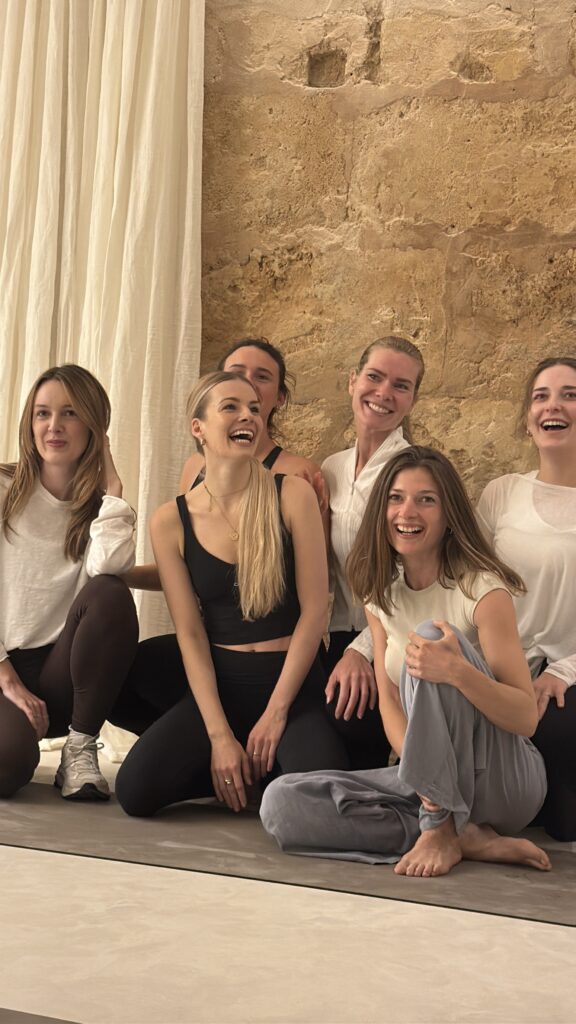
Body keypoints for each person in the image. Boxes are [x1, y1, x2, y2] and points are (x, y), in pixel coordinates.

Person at [261, 446, 550, 877]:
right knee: (281, 802)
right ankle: (462, 833)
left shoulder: (482, 591)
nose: (407, 512)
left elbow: (525, 718)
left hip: (502, 780)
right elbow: (391, 704)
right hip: (432, 777)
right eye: (396, 498)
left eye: (426, 499)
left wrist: (458, 672)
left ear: (449, 515)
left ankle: (441, 826)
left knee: (430, 640)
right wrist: (426, 783)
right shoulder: (380, 594)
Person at [115, 371, 348, 817]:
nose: (249, 416)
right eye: (231, 407)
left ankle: (269, 769)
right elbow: (190, 633)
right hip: (223, 685)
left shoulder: (291, 494)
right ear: (198, 427)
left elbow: (315, 610)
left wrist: (276, 712)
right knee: (135, 792)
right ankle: (240, 770)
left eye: (254, 409)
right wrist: (219, 736)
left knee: (318, 803)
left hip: (292, 686)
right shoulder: (170, 520)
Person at [116, 337, 330, 728]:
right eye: (234, 381)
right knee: (126, 681)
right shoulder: (188, 484)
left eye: (260, 380)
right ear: (200, 423)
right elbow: (192, 569)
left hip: (286, 663)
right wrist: (116, 573)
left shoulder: (296, 479)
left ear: (277, 398)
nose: (247, 394)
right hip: (218, 655)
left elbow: (314, 590)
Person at [0, 364, 138, 801]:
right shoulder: (3, 488)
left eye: (70, 413)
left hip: (66, 675)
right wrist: (7, 679)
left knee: (110, 592)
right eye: (43, 413)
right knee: (7, 766)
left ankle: (79, 749)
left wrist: (112, 486)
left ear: (94, 426)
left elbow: (110, 568)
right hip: (4, 667)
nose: (54, 426)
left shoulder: (104, 510)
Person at [477, 356, 576, 842]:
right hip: (500, 668)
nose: (553, 405)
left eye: (570, 395)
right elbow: (462, 582)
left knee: (563, 826)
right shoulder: (502, 493)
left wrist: (564, 672)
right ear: (527, 417)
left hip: (566, 678)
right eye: (541, 396)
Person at [321, 336, 424, 768]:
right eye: (374, 377)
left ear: (412, 400)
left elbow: (417, 577)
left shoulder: (415, 472)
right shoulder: (331, 467)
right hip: (332, 635)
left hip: (390, 639)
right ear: (352, 381)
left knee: (346, 717)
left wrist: (362, 651)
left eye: (401, 386)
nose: (384, 393)